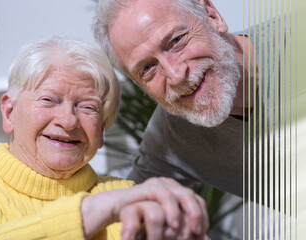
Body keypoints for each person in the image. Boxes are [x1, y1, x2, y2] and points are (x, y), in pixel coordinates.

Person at [0, 37, 209, 240]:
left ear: (102, 131)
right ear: (9, 112)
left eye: (87, 107)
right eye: (49, 100)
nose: (68, 120)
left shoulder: (127, 195)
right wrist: (91, 212)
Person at [93, 0, 273, 197]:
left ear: (212, 16)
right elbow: (128, 204)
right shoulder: (171, 135)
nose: (176, 75)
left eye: (177, 41)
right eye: (147, 68)